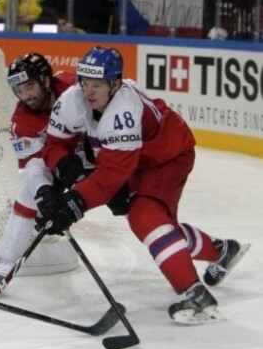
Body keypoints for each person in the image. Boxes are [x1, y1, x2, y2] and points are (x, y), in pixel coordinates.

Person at [37, 46, 250, 324]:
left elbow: (110, 178)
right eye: (84, 82)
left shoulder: (123, 111)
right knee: (161, 228)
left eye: (97, 85)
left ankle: (195, 294)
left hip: (166, 156)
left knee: (145, 217)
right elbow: (54, 144)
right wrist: (65, 168)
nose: (88, 91)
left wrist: (74, 203)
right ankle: (223, 250)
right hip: (130, 159)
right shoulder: (72, 100)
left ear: (115, 83)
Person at [0, 53, 78, 285]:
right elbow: (32, 164)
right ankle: (6, 261)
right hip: (61, 162)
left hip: (95, 152)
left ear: (45, 81)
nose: (25, 96)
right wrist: (44, 192)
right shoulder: (22, 122)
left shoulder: (72, 87)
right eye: (18, 90)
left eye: (28, 86)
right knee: (29, 196)